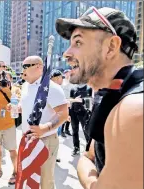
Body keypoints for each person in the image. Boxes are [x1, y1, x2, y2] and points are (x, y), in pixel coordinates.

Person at [56, 7, 143, 189]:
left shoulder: (133, 109)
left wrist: (90, 178)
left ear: (111, 47)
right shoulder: (112, 95)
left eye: (78, 43)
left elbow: (88, 161)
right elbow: (90, 155)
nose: (67, 53)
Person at [13, 56, 69, 189]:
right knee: (29, 178)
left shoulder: (52, 88)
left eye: (26, 66)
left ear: (39, 67)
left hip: (46, 140)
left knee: (44, 181)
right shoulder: (25, 86)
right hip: (27, 139)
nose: (23, 70)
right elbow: (28, 106)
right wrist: (17, 108)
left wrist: (45, 128)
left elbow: (64, 113)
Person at [0, 71, 18, 185]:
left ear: (11, 80)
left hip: (9, 125)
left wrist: (8, 90)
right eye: (2, 79)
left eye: (7, 79)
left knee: (12, 150)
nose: (4, 81)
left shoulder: (15, 89)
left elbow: (16, 102)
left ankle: (15, 171)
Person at [69, 84, 93, 156]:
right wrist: (69, 113)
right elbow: (70, 102)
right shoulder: (73, 89)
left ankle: (89, 149)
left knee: (86, 131)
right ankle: (76, 147)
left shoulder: (89, 88)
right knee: (74, 131)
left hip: (84, 113)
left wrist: (84, 102)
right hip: (73, 112)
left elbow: (89, 103)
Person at [60, 69, 75, 137]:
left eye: (68, 73)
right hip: (64, 101)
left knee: (70, 116)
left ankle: (67, 129)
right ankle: (62, 131)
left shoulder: (72, 81)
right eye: (66, 73)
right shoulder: (62, 82)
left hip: (71, 101)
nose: (67, 74)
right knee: (65, 116)